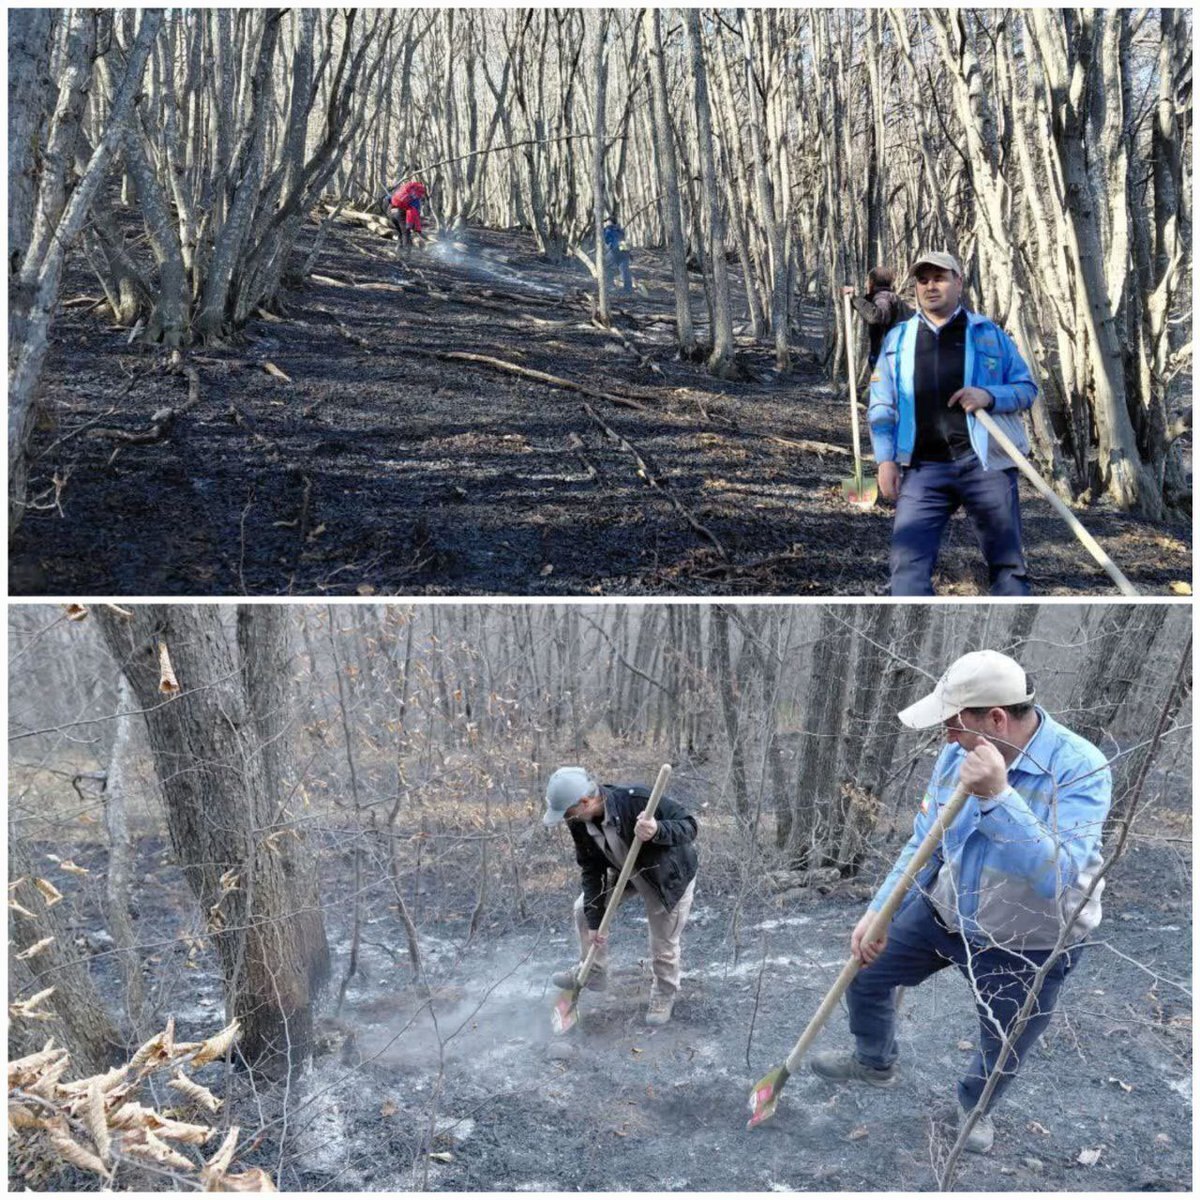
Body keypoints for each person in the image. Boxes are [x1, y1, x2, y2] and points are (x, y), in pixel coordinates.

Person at [810, 650, 1111, 1155]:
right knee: (865, 972)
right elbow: (925, 840)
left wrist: (997, 795)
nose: (946, 736)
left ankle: (975, 1107)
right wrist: (879, 910)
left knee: (1004, 1042)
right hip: (947, 911)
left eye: (954, 724)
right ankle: (874, 1061)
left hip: (1029, 939)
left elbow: (1055, 875)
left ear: (996, 718)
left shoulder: (1080, 768)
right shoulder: (957, 754)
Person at [868, 251, 1038, 597]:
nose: (931, 286)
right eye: (923, 280)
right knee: (906, 570)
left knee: (1008, 570)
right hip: (923, 469)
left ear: (958, 282)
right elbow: (881, 403)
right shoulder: (898, 340)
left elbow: (1026, 388)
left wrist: (989, 396)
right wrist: (885, 459)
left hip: (985, 465)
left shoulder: (987, 334)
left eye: (940, 278)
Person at [544, 766, 698, 1026]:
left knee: (663, 945)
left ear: (584, 802)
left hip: (666, 877)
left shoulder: (636, 799)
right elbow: (591, 869)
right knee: (584, 910)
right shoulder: (580, 821)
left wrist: (657, 830)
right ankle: (594, 971)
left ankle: (664, 991)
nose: (566, 819)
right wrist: (595, 923)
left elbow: (689, 826)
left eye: (567, 812)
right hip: (625, 870)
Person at [842, 267, 911, 369]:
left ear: (872, 282)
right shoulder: (888, 296)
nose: (867, 284)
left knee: (880, 383)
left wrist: (854, 298)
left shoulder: (883, 298)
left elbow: (876, 316)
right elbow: (869, 307)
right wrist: (853, 299)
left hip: (888, 357)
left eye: (868, 280)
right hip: (892, 354)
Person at [388, 180, 427, 251]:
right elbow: (415, 212)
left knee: (400, 232)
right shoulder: (415, 198)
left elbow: (389, 199)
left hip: (391, 211)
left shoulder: (402, 192)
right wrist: (414, 227)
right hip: (400, 213)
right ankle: (406, 253)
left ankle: (399, 249)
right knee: (406, 233)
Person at [602, 216, 633, 293]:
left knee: (606, 266)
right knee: (625, 270)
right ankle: (628, 289)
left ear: (610, 222)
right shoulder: (620, 230)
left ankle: (610, 286)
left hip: (615, 250)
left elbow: (606, 240)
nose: (605, 223)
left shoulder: (608, 230)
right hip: (624, 250)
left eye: (606, 221)